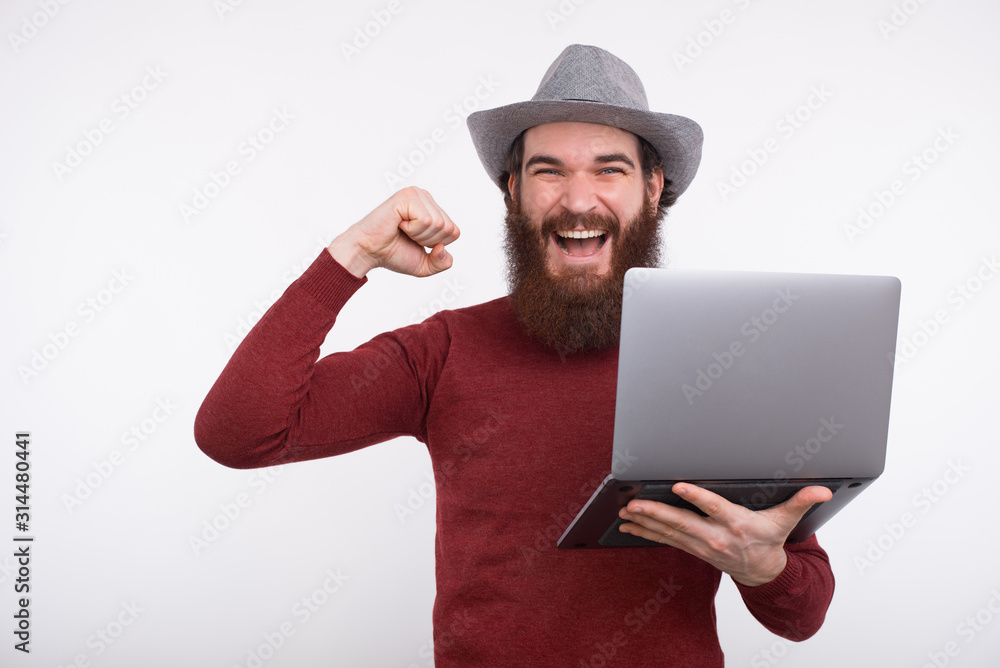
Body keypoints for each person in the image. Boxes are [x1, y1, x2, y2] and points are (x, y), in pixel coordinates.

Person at [195, 44, 834, 667]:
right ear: (512, 192)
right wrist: (351, 256)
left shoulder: (721, 364)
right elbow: (238, 434)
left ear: (652, 187)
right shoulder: (442, 353)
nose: (578, 200)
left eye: (609, 169)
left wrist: (764, 567)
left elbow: (802, 615)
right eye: (548, 170)